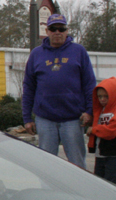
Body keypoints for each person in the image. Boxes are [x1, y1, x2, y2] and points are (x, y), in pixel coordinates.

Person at [23, 14, 95, 169]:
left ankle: (79, 192)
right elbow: (28, 86)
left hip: (73, 119)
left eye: (61, 28)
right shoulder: (36, 54)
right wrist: (27, 117)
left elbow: (90, 84)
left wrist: (90, 111)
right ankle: (47, 192)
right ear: (47, 31)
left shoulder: (79, 51)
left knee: (77, 164)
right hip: (45, 119)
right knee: (46, 165)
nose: (57, 32)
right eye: (53, 28)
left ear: (67, 30)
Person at [86, 77, 116, 185]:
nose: (102, 99)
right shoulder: (99, 110)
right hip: (100, 154)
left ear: (113, 95)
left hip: (113, 155)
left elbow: (112, 130)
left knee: (111, 184)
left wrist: (94, 130)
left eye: (106, 96)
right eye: (100, 96)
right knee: (99, 183)